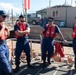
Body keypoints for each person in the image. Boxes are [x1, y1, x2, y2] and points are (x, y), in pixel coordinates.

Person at [0, 10, 13, 75]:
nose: (5, 18)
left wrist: (7, 30)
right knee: (6, 66)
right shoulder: (2, 26)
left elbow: (7, 35)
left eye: (5, 17)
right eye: (3, 16)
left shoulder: (3, 24)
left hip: (4, 45)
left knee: (7, 63)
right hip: (0, 47)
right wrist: (2, 28)